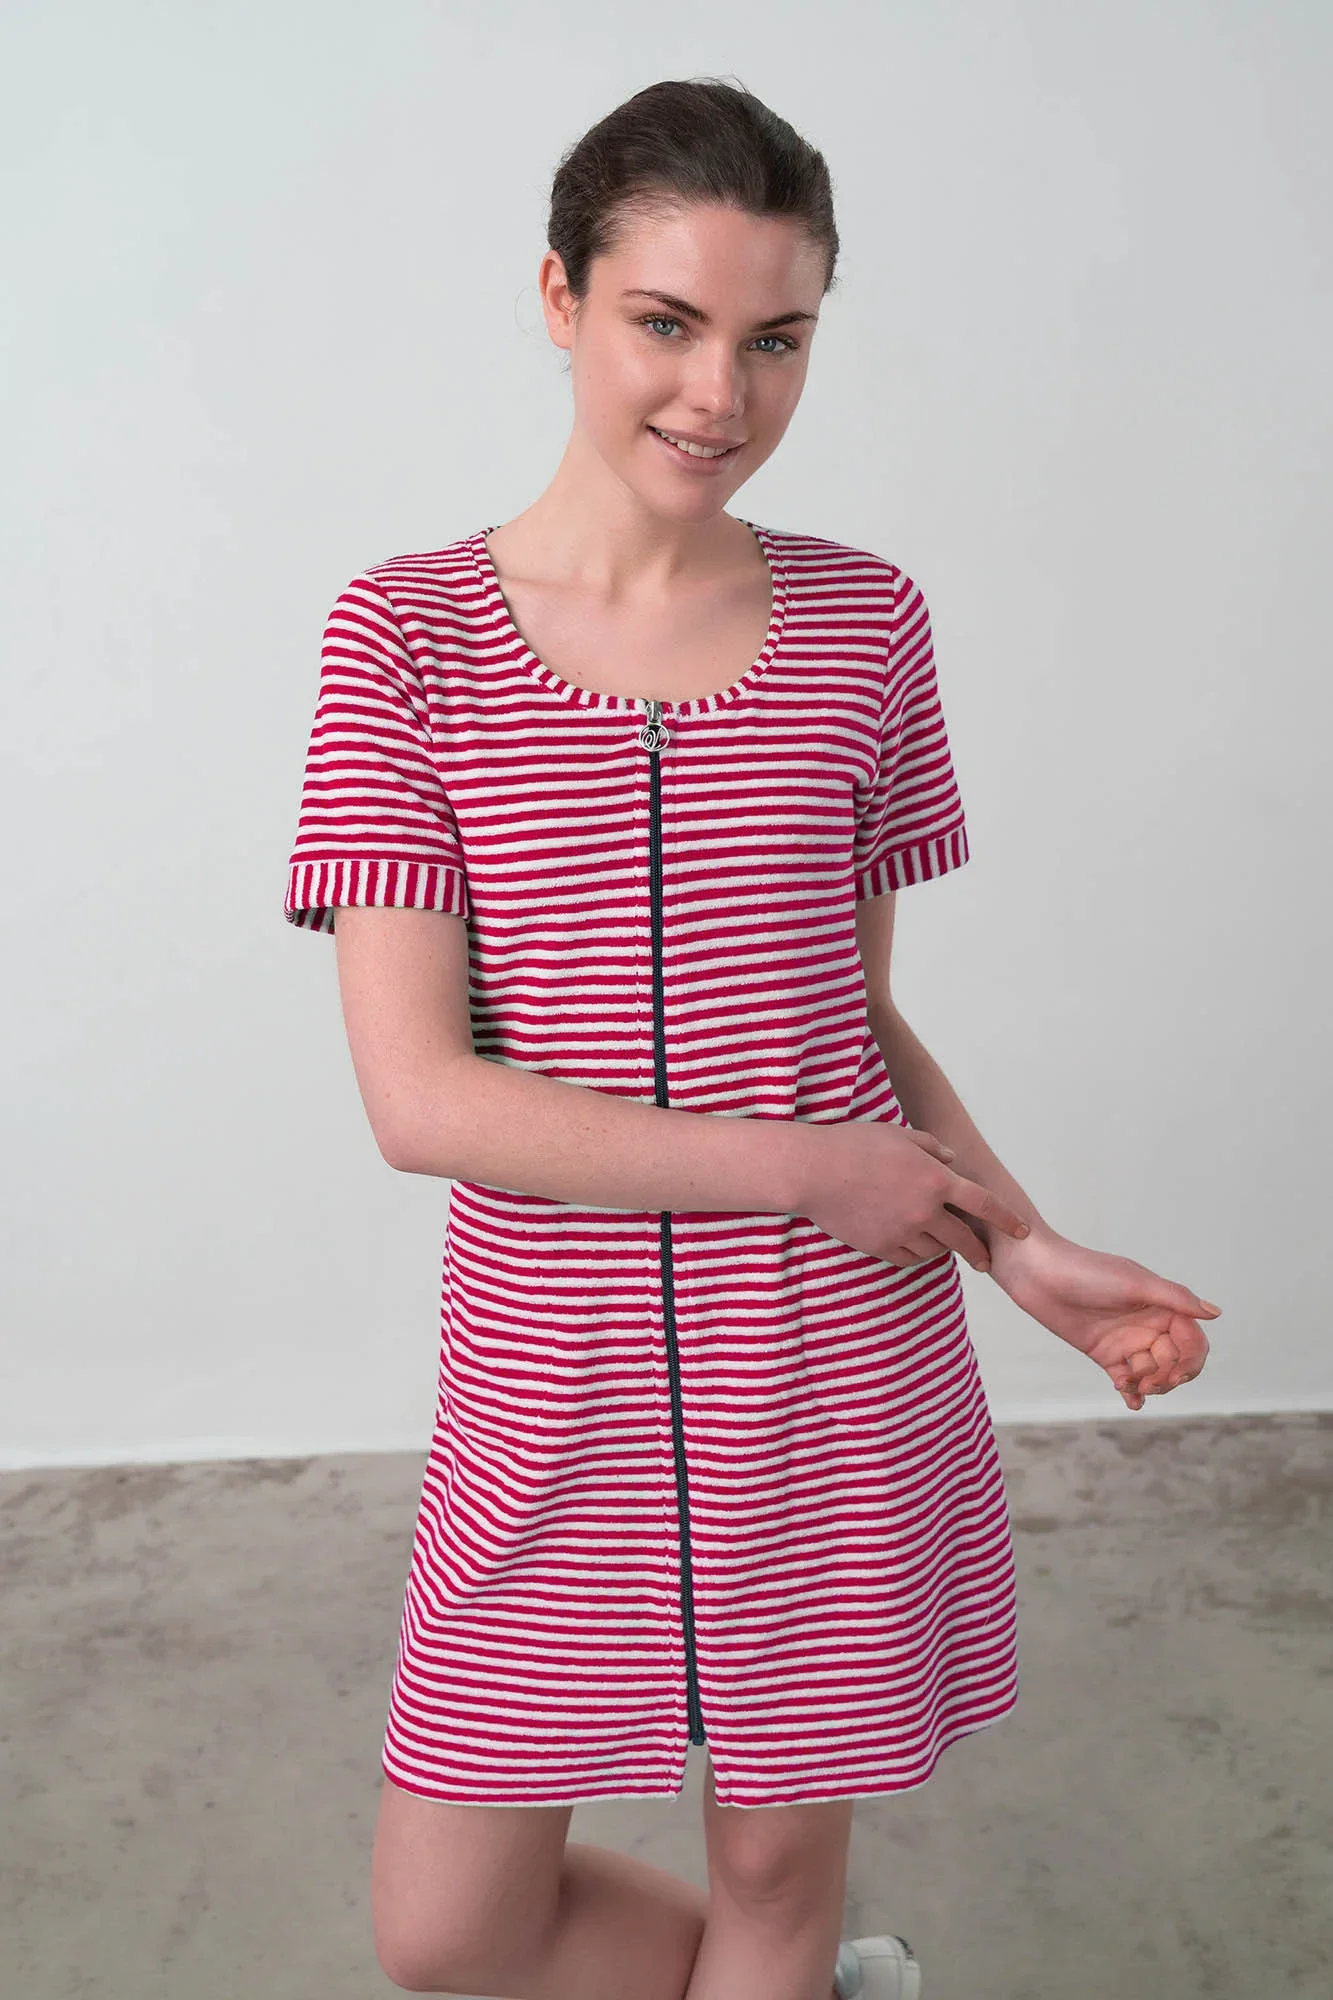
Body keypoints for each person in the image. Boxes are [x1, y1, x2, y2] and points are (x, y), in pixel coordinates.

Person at [283, 74, 1220, 2000]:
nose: (722, 393)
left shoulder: (869, 626)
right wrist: (807, 1171)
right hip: (552, 1384)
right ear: (560, 296)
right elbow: (420, 1100)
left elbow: (847, 1016)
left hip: (833, 1372)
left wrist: (1020, 1247)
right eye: (668, 321)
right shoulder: (404, 639)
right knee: (448, 1934)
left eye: (777, 338)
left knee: (780, 1887)